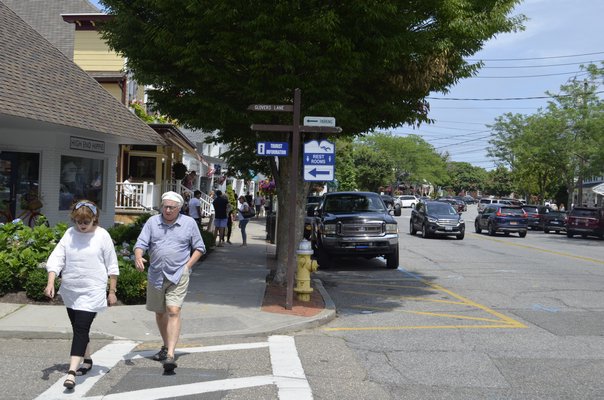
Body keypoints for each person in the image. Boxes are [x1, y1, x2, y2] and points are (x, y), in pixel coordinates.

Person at [44, 200, 118, 390]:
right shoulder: (70, 234)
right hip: (71, 290)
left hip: (92, 291)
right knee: (78, 327)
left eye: (86, 221)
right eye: (78, 221)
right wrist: (51, 282)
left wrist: (112, 291)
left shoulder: (102, 236)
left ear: (94, 218)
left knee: (81, 329)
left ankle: (71, 373)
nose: (82, 225)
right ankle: (87, 358)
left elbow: (112, 266)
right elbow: (56, 258)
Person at [134, 191, 205, 372]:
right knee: (160, 313)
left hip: (178, 275)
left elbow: (199, 247)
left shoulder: (188, 223)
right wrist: (138, 256)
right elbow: (140, 243)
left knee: (173, 310)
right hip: (156, 275)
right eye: (164, 206)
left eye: (171, 207)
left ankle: (171, 355)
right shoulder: (152, 222)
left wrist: (187, 267)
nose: (167, 210)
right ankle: (166, 346)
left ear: (179, 208)